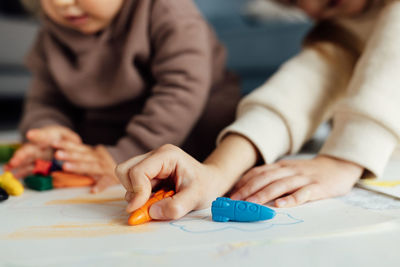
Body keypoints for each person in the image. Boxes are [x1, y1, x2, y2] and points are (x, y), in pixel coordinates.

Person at [116, 0, 400, 220]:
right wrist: (217, 172)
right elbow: (296, 91)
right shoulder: (344, 27)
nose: (309, 7)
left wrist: (343, 161)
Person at [5, 0, 240, 193]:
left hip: (194, 135)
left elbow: (181, 90)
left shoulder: (168, 10)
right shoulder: (51, 33)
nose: (62, 3)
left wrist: (124, 155)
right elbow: (45, 98)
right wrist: (50, 132)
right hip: (109, 141)